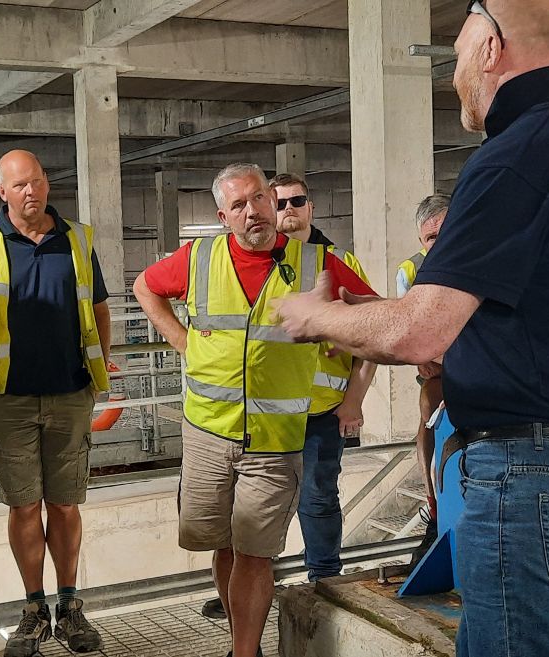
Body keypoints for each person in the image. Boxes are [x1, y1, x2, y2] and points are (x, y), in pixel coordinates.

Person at [274, 2, 549, 655]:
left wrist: (319, 316)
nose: (452, 75)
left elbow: (419, 334)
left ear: (490, 48)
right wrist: (371, 310)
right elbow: (536, 314)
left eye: (455, 57)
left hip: (531, 469)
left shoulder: (516, 156)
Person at [134, 163, 374, 657]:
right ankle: (241, 643)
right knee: (221, 544)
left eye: (260, 199)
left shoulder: (317, 263)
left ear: (272, 200)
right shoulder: (198, 258)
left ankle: (245, 651)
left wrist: (340, 334)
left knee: (254, 552)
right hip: (207, 433)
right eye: (239, 205)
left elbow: (373, 314)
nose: (253, 211)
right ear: (224, 216)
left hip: (273, 439)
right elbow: (145, 287)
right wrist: (182, 341)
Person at [0, 149, 110, 656]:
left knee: (65, 505)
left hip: (69, 394)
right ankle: (33, 609)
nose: (31, 192)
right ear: (2, 192)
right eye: (19, 185)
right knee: (23, 507)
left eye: (38, 181)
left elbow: (100, 307)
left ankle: (70, 606)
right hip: (7, 399)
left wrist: (98, 369)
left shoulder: (78, 239)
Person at [270, 172, 378, 581]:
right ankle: (252, 582)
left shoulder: (340, 265)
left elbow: (370, 336)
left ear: (310, 207)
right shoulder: (265, 266)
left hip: (321, 412)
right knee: (262, 500)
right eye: (278, 204)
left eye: (295, 201)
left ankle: (325, 578)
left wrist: (354, 401)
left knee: (317, 497)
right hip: (269, 412)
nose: (288, 211)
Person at [396, 194, 449, 557]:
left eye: (446, 232)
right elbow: (410, 332)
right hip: (439, 366)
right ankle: (434, 504)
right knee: (429, 411)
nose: (439, 243)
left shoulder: (480, 259)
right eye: (431, 238)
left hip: (475, 366)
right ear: (421, 241)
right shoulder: (411, 271)